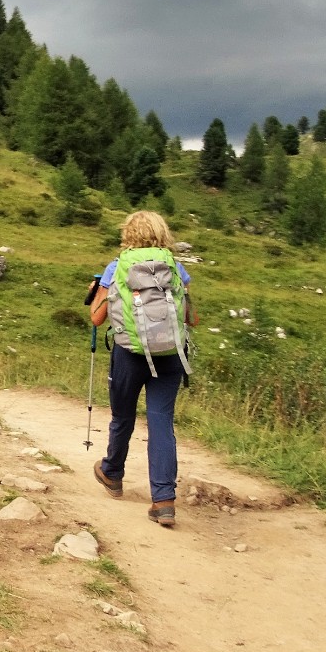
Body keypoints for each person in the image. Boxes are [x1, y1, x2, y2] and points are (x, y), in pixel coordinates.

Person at [87, 210, 197, 528]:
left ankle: (112, 473)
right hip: (170, 354)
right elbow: (191, 319)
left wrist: (98, 291)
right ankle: (163, 501)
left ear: (129, 234)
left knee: (123, 416)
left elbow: (96, 318)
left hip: (129, 355)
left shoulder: (116, 267)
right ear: (163, 234)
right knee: (161, 422)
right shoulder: (175, 268)